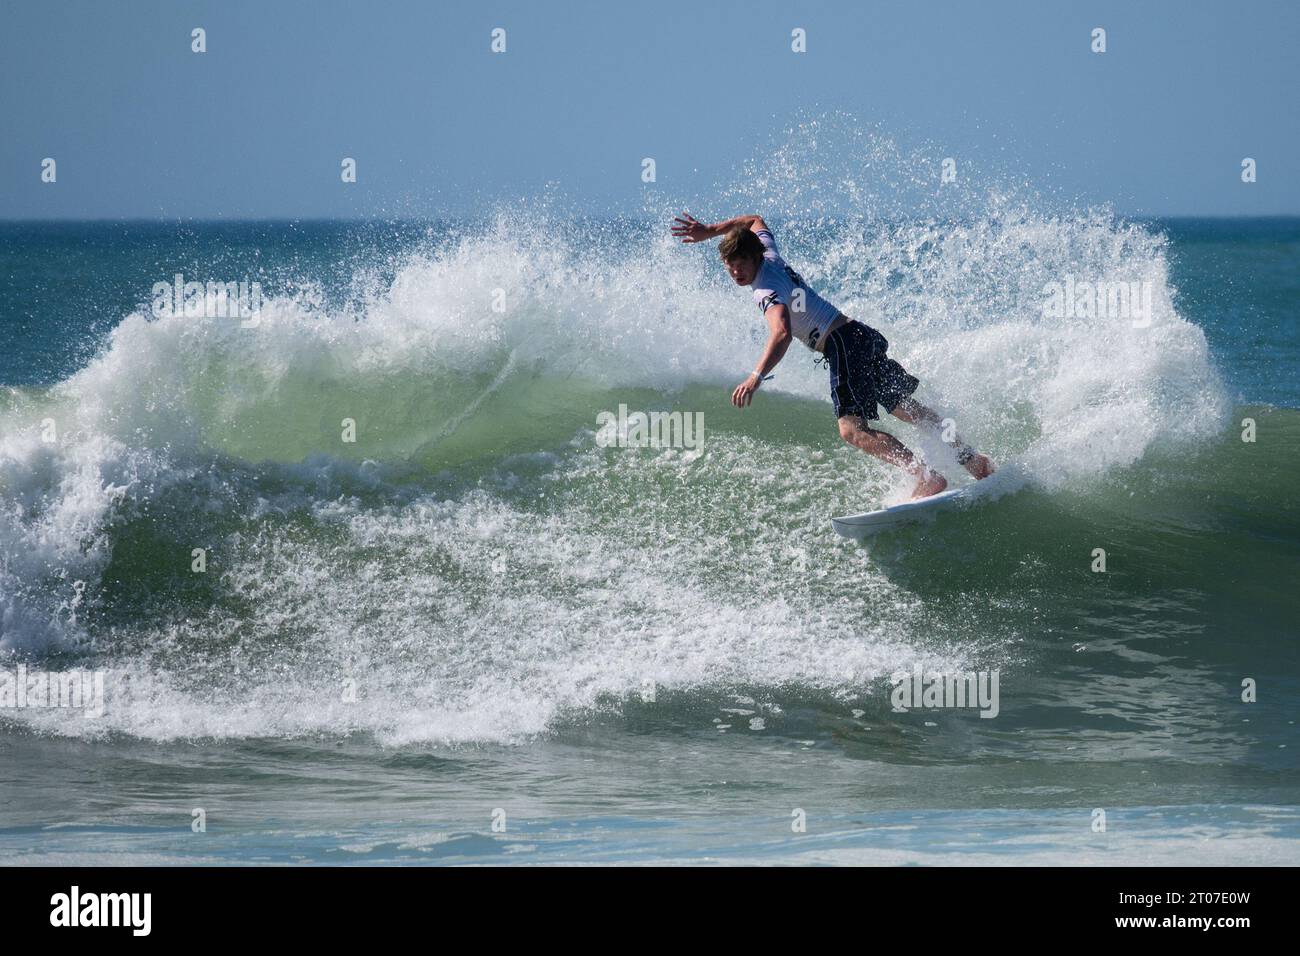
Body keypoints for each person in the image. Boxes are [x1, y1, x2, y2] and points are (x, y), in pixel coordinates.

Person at [672, 212, 994, 498]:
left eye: (740, 265)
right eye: (729, 267)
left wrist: (756, 376)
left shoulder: (766, 289)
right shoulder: (770, 255)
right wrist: (711, 230)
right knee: (905, 408)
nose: (735, 273)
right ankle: (972, 459)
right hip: (859, 334)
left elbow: (781, 332)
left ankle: (927, 478)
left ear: (753, 258)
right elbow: (754, 220)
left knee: (851, 430)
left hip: (840, 343)